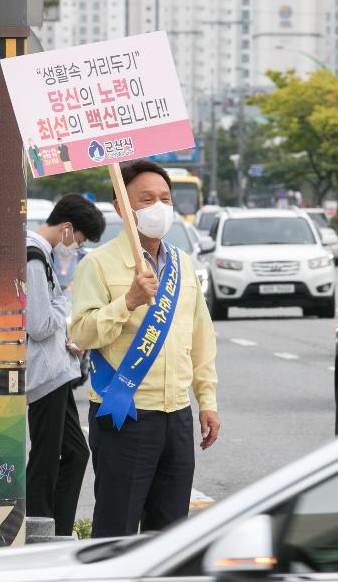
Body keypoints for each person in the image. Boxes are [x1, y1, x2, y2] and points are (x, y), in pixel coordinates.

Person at [69, 160, 220, 538]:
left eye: (164, 198)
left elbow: (201, 338)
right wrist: (129, 301)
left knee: (170, 534)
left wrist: (208, 400)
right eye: (146, 199)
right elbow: (81, 335)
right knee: (116, 531)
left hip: (177, 415)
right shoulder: (99, 265)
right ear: (122, 207)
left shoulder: (184, 265)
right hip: (125, 415)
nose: (159, 207)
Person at [26, 194, 105, 537]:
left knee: (74, 452)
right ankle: (40, 528)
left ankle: (57, 529)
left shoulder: (41, 254)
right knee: (47, 456)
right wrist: (69, 294)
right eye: (81, 240)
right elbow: (40, 324)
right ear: (68, 229)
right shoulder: (33, 256)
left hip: (56, 372)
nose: (78, 247)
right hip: (44, 375)